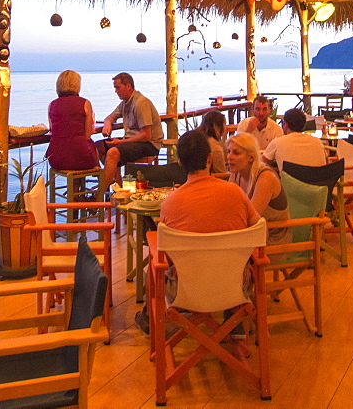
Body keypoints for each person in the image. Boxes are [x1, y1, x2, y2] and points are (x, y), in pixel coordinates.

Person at [134, 130, 259, 334]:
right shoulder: (235, 193)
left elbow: (167, 254)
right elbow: (256, 226)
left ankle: (149, 321)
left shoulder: (171, 204)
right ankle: (233, 322)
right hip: (235, 285)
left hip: (186, 291)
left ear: (180, 162)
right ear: (209, 158)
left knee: (154, 260)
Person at [98, 72, 163, 185]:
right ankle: (117, 183)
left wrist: (122, 142)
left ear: (128, 86)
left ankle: (98, 196)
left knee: (113, 152)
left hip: (150, 144)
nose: (116, 91)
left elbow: (146, 135)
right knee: (98, 147)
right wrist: (108, 123)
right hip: (132, 140)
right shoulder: (125, 103)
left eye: (118, 87)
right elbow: (110, 117)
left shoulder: (140, 103)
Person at [227, 133, 289, 246]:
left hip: (272, 239)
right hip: (250, 234)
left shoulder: (266, 177)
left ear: (251, 157)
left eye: (236, 153)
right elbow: (227, 204)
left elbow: (250, 218)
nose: (229, 157)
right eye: (228, 152)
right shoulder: (236, 173)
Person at [46, 70, 97, 171]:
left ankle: (75, 187)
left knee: (78, 148)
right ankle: (99, 182)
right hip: (80, 157)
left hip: (56, 158)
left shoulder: (52, 105)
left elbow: (52, 130)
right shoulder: (85, 103)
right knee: (88, 147)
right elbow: (88, 134)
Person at [262, 108, 327, 171]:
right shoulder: (317, 142)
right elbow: (325, 162)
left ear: (286, 124)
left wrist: (278, 169)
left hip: (290, 182)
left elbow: (263, 163)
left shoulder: (277, 142)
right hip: (317, 181)